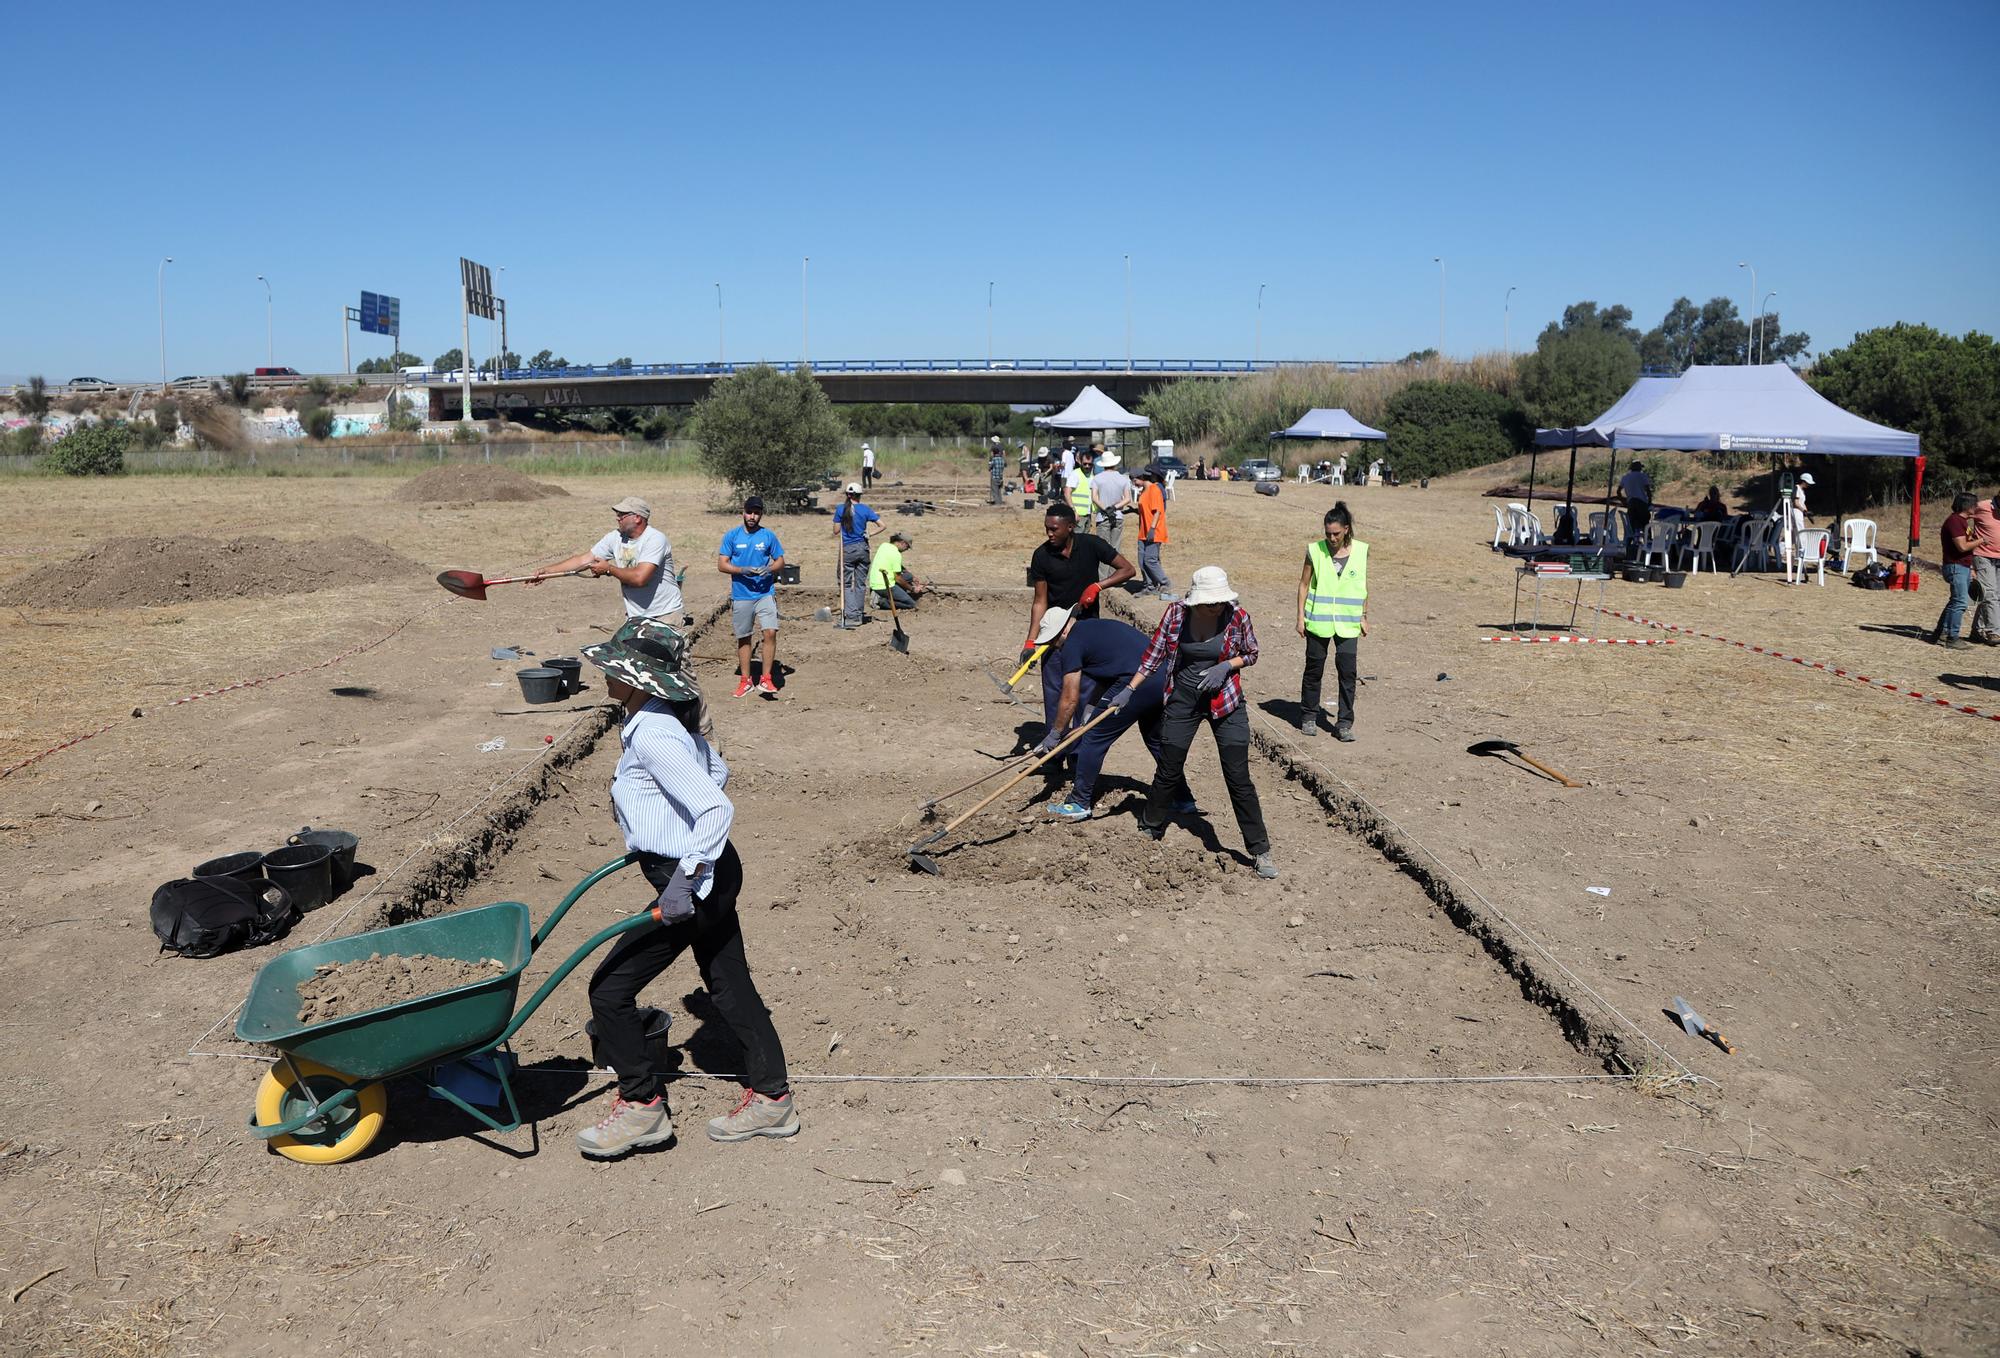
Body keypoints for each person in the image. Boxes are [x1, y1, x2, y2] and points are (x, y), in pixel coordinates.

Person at [573, 618, 797, 1158]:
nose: (603, 672)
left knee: (609, 989)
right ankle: (772, 1098)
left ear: (637, 678)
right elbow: (714, 772)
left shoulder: (653, 732)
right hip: (708, 870)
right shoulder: (663, 720)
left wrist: (684, 879)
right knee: (729, 984)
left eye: (613, 666)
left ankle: (641, 1109)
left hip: (693, 878)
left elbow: (715, 804)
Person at [1110, 566, 1275, 879]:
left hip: (1225, 701)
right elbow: (1153, 656)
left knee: (1238, 776)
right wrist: (1129, 690)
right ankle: (1151, 826)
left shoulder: (1237, 616)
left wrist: (1226, 665)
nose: (1216, 607)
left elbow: (1252, 653)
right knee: (1169, 765)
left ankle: (1259, 850)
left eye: (1219, 601)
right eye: (1210, 602)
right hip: (1183, 699)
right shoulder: (1176, 615)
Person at [1033, 607, 1186, 823]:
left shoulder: (1072, 644)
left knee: (1093, 739)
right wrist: (1086, 721)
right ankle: (1183, 798)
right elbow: (1104, 682)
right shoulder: (1095, 629)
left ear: (1062, 631)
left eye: (1052, 640)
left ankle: (1079, 802)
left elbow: (1069, 698)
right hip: (1161, 677)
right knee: (1156, 740)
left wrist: (1056, 733)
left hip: (1134, 682)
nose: (1053, 645)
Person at [1024, 504, 1135, 733]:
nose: (1049, 534)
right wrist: (1031, 641)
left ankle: (1077, 754)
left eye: (1054, 529)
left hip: (1087, 632)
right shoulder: (1041, 556)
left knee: (1085, 693)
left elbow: (1127, 569)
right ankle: (1053, 753)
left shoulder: (1091, 545)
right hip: (1055, 634)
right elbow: (1039, 601)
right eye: (1047, 528)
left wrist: (1097, 586)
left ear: (1070, 527)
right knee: (1054, 693)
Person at [535, 495, 684, 622]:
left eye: (622, 515)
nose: (617, 518)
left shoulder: (655, 539)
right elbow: (583, 560)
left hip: (665, 615)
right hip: (636, 616)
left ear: (638, 518)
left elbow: (640, 578)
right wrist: (547, 571)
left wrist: (608, 569)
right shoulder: (615, 537)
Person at [1297, 502, 1368, 741]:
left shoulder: (1361, 551)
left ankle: (1344, 723)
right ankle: (1308, 717)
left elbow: (1362, 586)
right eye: (1328, 533)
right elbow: (1304, 584)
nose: (1331, 538)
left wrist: (1364, 616)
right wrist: (1300, 617)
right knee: (1314, 670)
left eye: (1336, 533)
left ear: (1346, 529)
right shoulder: (1314, 551)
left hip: (1348, 624)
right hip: (1319, 621)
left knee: (1348, 674)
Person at [718, 497, 785, 698]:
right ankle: (745, 680)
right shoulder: (732, 536)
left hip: (765, 593)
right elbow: (722, 564)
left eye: (756, 513)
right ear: (743, 512)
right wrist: (742, 570)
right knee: (744, 636)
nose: (752, 517)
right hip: (741, 594)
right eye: (749, 512)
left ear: (761, 514)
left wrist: (769, 569)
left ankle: (766, 679)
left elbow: (780, 560)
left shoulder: (768, 536)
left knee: (770, 632)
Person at [1933, 493, 1980, 649]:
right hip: (1955, 566)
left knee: (1955, 601)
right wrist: (1981, 540)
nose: (1976, 507)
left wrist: (1971, 567)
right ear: (1968, 506)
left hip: (1962, 566)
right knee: (1960, 602)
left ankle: (1940, 634)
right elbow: (1962, 547)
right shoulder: (1954, 521)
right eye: (1975, 505)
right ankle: (1952, 638)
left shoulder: (1962, 522)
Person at [832, 482, 881, 629]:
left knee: (846, 583)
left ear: (847, 494)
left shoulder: (841, 509)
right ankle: (858, 614)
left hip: (848, 549)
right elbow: (883, 525)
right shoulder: (866, 509)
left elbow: (835, 531)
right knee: (860, 583)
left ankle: (852, 616)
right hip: (863, 549)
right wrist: (869, 533)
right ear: (859, 495)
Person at [1133, 463, 1174, 599]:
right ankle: (1149, 586)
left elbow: (1157, 511)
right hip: (1142, 531)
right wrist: (1134, 511)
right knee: (1141, 561)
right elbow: (1146, 509)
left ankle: (1164, 582)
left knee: (1150, 559)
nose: (1134, 482)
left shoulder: (1155, 489)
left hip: (1153, 531)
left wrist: (1152, 529)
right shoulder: (1144, 491)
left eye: (1134, 479)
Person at [868, 530, 926, 610]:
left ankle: (880, 594)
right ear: (902, 543)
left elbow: (897, 566)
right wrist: (913, 589)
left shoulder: (884, 545)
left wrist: (913, 577)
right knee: (912, 605)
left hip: (875, 581)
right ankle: (880, 601)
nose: (907, 549)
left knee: (908, 576)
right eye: (907, 547)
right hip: (885, 585)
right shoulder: (896, 554)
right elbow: (898, 578)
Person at [1091, 451, 1135, 552]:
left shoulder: (1097, 478)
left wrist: (1106, 509)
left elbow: (1094, 498)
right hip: (1118, 516)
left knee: (1103, 550)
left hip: (1102, 516)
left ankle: (1103, 568)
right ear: (1114, 463)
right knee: (1115, 549)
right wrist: (1114, 508)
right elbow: (1127, 499)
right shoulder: (1123, 478)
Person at [1971, 491, 2000, 644]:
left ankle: (1977, 630)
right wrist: (1970, 539)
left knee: (1995, 596)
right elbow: (1961, 516)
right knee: (1990, 594)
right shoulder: (1982, 506)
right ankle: (1994, 632)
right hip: (1982, 555)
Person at [1617, 460, 1653, 561]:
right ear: (1639, 468)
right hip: (1641, 503)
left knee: (1633, 526)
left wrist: (1624, 502)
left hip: (1631, 503)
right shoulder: (1642, 476)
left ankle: (1632, 547)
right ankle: (1648, 544)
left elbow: (1618, 491)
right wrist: (1649, 502)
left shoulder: (1625, 477)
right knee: (1646, 525)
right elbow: (1648, 491)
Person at [1782, 472, 1815, 583]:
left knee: (1800, 540)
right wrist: (1804, 511)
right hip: (1795, 514)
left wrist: (1807, 512)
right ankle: (1796, 565)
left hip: (1800, 515)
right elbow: (1796, 502)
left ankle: (1799, 567)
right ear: (1803, 481)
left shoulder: (1802, 491)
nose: (1809, 485)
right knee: (1800, 539)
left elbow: (1802, 502)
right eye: (1808, 483)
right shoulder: (1796, 488)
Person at [989, 437, 1007, 506]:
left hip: (994, 476)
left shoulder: (994, 457)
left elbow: (990, 467)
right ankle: (1000, 501)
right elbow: (1004, 455)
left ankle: (997, 503)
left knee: (994, 490)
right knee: (999, 489)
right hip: (1000, 476)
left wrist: (990, 464)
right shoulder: (1002, 448)